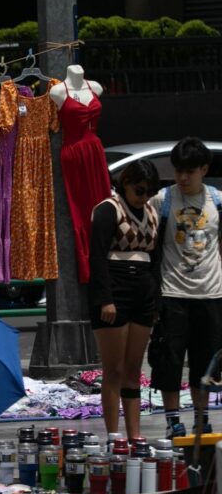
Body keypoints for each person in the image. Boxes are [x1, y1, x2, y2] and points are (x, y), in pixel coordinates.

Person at [148, 137, 220, 437]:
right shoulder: (162, 201)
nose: (182, 177)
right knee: (169, 363)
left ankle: (202, 418)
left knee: (206, 365)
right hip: (172, 294)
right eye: (178, 170)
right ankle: (173, 421)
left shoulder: (217, 201)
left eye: (190, 171)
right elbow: (150, 246)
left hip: (211, 294)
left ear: (204, 169)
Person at [88, 160, 160, 440]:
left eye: (150, 192)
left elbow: (155, 259)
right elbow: (96, 256)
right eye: (140, 190)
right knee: (114, 369)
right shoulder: (108, 209)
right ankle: (114, 435)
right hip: (115, 289)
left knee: (133, 369)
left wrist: (155, 299)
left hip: (143, 290)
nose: (144, 197)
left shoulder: (152, 212)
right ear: (126, 183)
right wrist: (105, 299)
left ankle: (135, 434)